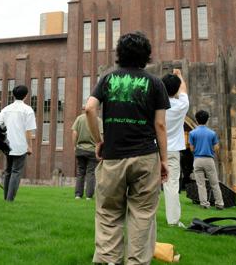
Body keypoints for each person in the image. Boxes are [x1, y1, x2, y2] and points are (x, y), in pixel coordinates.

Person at [85, 31, 170, 265]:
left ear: (119, 54)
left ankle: (108, 260)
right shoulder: (155, 83)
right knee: (142, 215)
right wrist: (163, 160)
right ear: (147, 56)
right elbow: (160, 124)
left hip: (113, 157)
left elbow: (90, 109)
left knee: (109, 213)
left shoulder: (107, 79)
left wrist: (98, 140)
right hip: (145, 156)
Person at [0, 85, 36, 202]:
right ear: (26, 95)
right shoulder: (28, 110)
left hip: (7, 144)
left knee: (8, 170)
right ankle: (10, 199)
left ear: (13, 95)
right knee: (16, 171)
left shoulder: (6, 109)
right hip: (20, 145)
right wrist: (30, 146)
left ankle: (6, 198)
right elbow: (28, 131)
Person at [161, 69, 190, 226]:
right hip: (172, 150)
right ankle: (173, 220)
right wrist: (179, 75)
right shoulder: (182, 105)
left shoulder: (156, 105)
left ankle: (142, 217)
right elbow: (183, 89)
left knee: (147, 183)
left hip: (154, 148)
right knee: (171, 184)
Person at [188, 110, 224, 210]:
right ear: (207, 120)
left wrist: (196, 152)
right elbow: (216, 148)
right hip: (209, 159)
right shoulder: (212, 133)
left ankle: (204, 203)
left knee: (200, 184)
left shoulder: (192, 133)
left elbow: (191, 148)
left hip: (197, 159)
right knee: (214, 183)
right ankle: (219, 203)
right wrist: (211, 151)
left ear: (196, 119)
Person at [72, 111, 103, 200]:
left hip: (80, 149)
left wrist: (74, 146)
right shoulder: (98, 120)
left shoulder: (79, 118)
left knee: (80, 172)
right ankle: (89, 196)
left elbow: (74, 133)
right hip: (93, 150)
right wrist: (101, 149)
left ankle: (78, 195)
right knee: (91, 173)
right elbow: (101, 135)